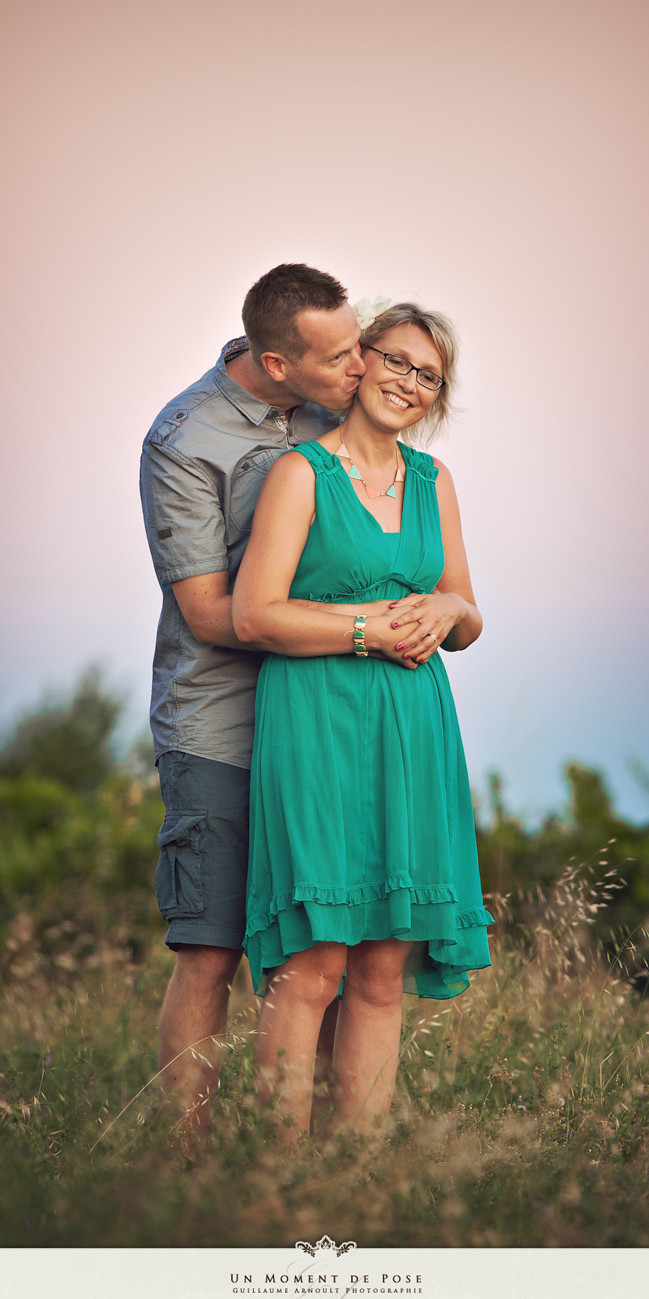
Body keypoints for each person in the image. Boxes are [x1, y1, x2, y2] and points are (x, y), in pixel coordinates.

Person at [140, 263, 401, 1136]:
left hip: (328, 719)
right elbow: (214, 612)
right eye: (338, 358)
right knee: (211, 950)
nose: (360, 368)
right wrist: (364, 624)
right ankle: (187, 1163)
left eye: (358, 344)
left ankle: (316, 1169)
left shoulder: (337, 406)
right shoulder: (183, 439)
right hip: (223, 725)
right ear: (276, 363)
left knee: (325, 947)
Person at [232, 301, 493, 1141]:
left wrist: (448, 601)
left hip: (413, 730)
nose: (408, 383)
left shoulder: (434, 482)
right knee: (313, 964)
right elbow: (253, 615)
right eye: (397, 361)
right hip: (316, 723)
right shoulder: (300, 473)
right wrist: (364, 628)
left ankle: (357, 1182)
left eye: (429, 376)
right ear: (361, 360)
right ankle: (278, 1182)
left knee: (382, 967)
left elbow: (471, 619)